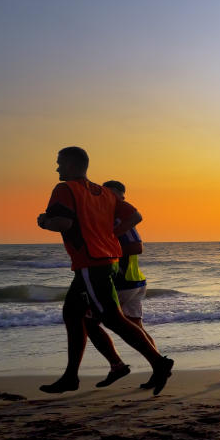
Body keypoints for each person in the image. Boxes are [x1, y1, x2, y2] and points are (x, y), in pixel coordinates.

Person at [36, 146, 173, 395]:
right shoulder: (104, 193)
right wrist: (109, 235)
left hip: (91, 263)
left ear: (71, 164)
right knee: (73, 314)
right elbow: (135, 216)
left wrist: (44, 221)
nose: (57, 168)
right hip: (102, 262)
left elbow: (63, 222)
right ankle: (70, 376)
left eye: (59, 163)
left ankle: (159, 362)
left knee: (112, 319)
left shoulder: (65, 189)